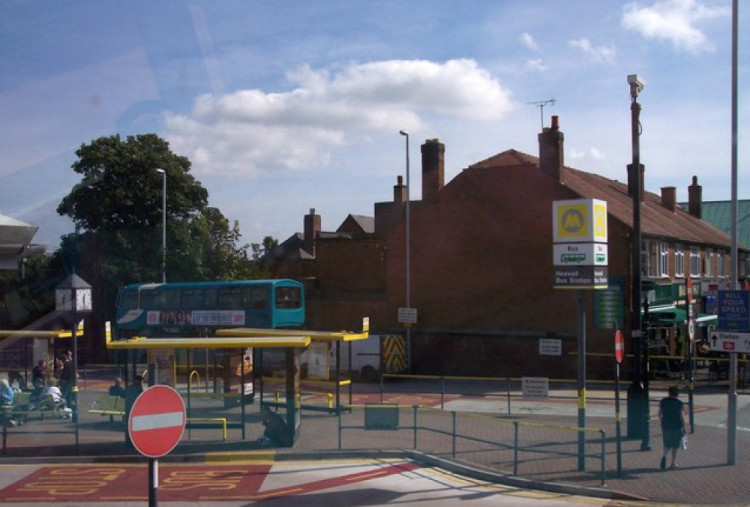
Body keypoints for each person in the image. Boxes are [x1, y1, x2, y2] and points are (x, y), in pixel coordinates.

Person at [658, 385, 687, 470]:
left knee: (667, 443)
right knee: (675, 445)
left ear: (669, 392)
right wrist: (684, 427)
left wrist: (662, 420)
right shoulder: (679, 403)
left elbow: (659, 414)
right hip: (676, 426)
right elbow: (681, 416)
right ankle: (672, 463)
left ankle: (664, 456)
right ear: (677, 393)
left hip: (665, 425)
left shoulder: (663, 401)